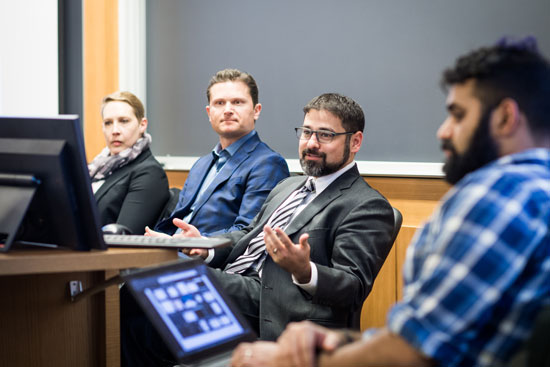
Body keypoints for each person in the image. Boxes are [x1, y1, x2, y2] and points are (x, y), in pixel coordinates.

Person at [231, 37, 550, 367]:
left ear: (505, 118)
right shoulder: (537, 188)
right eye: (307, 132)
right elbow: (430, 334)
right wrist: (341, 341)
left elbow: (413, 351)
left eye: (458, 115)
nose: (443, 132)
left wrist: (289, 361)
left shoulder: (499, 197)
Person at [124, 93, 394, 366]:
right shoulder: (288, 186)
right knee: (134, 316)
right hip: (235, 285)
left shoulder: (366, 205)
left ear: (355, 141)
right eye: (306, 132)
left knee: (154, 281)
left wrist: (304, 270)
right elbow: (247, 236)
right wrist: (204, 246)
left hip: (273, 305)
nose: (311, 143)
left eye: (325, 135)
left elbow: (352, 286)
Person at [153, 68, 289, 236]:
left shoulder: (268, 163)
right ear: (209, 113)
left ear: (256, 110)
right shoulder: (200, 165)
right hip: (173, 249)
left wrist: (201, 242)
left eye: (237, 102)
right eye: (219, 103)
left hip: (211, 258)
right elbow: (178, 219)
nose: (227, 110)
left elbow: (249, 233)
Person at [88, 91, 169, 234]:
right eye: (108, 123)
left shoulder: (149, 172)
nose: (115, 130)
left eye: (123, 121)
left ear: (142, 125)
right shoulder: (96, 168)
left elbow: (124, 236)